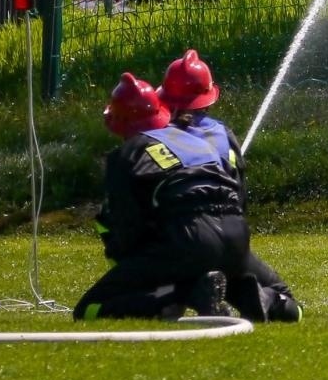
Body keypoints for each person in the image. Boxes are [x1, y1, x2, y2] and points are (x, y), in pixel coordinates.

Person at [73, 72, 246, 321]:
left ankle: (182, 294)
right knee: (277, 297)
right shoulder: (195, 141)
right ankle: (271, 302)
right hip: (236, 236)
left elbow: (127, 223)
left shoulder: (126, 155)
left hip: (184, 241)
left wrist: (132, 262)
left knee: (89, 309)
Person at [158, 49, 302, 323]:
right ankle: (263, 298)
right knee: (289, 303)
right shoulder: (224, 135)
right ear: (208, 98)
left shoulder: (157, 138)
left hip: (178, 245)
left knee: (148, 287)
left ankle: (184, 293)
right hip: (229, 244)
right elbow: (239, 196)